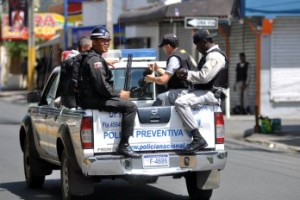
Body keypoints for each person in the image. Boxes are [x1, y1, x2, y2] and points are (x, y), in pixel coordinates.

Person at [79, 26, 140, 158]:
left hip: (93, 98)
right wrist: (119, 94)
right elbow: (102, 87)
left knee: (125, 103)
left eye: (108, 40)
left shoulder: (95, 58)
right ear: (94, 42)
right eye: (103, 40)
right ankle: (124, 145)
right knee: (130, 107)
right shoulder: (95, 60)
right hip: (94, 100)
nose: (106, 43)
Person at [175, 28, 228, 154]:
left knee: (181, 102)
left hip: (212, 94)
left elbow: (204, 77)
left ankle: (197, 137)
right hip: (206, 91)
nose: (197, 49)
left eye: (197, 45)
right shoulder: (209, 55)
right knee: (175, 95)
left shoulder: (214, 56)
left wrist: (187, 74)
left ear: (204, 42)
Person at [145, 33, 194, 106]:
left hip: (180, 92)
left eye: (164, 47)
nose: (164, 49)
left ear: (168, 46)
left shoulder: (174, 58)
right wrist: (157, 69)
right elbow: (171, 75)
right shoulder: (183, 52)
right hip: (189, 90)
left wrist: (152, 79)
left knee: (159, 99)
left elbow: (163, 80)